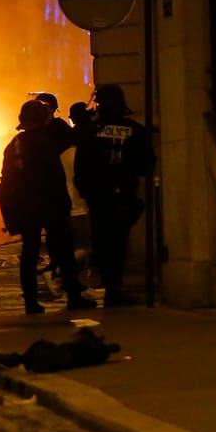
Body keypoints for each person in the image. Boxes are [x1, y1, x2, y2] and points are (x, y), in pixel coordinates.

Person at [0, 99, 96, 315]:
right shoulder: (46, 143)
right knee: (64, 250)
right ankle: (73, 296)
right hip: (50, 205)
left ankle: (31, 302)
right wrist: (64, 204)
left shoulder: (13, 146)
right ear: (42, 119)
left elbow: (7, 180)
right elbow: (55, 177)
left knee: (29, 252)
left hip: (26, 207)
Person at [73, 83, 156, 308]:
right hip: (124, 196)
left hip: (99, 197)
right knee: (119, 242)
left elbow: (81, 167)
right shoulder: (135, 130)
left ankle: (109, 285)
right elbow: (147, 164)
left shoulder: (90, 131)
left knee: (102, 240)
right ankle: (114, 289)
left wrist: (87, 192)